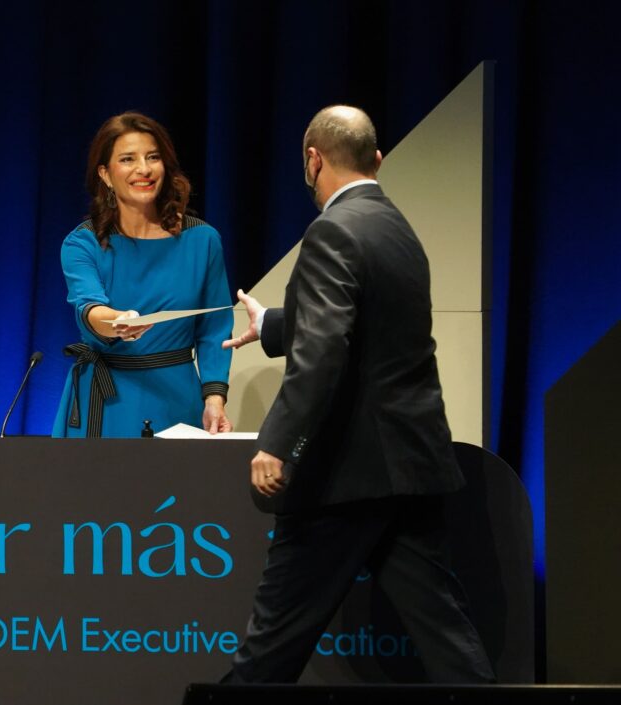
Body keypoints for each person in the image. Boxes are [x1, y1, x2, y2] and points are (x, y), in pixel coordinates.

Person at [221, 105, 495, 683]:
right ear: (377, 158)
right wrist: (272, 324)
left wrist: (278, 442)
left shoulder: (331, 230)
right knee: (448, 643)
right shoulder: (396, 226)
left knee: (268, 652)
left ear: (312, 159)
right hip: (409, 466)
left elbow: (324, 352)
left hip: (343, 478)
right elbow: (368, 326)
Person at [52, 112, 233, 438]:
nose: (144, 169)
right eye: (128, 159)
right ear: (106, 174)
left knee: (176, 489)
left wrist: (215, 399)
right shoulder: (82, 242)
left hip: (177, 397)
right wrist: (119, 321)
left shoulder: (203, 241)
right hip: (106, 401)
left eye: (153, 157)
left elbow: (215, 329)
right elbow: (89, 307)